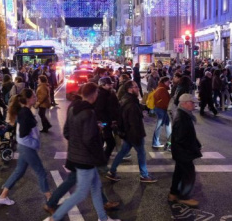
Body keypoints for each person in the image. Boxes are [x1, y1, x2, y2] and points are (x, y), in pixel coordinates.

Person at [44, 83, 120, 221]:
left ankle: (103, 218)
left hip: (75, 155)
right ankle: (55, 217)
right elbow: (90, 140)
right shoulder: (89, 112)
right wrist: (97, 133)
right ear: (94, 94)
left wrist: (80, 139)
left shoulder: (73, 108)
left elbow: (67, 132)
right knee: (80, 193)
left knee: (96, 188)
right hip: (86, 159)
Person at [0, 89, 50, 206]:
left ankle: (3, 195)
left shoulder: (24, 111)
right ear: (28, 99)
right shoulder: (25, 112)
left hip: (24, 146)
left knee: (19, 171)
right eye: (34, 96)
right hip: (27, 147)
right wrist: (34, 141)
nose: (36, 98)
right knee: (41, 172)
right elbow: (23, 133)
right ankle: (50, 200)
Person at [106, 80, 157, 183]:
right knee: (141, 153)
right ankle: (144, 175)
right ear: (130, 89)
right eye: (136, 87)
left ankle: (112, 171)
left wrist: (143, 107)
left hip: (127, 133)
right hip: (134, 134)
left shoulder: (127, 99)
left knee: (123, 151)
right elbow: (134, 123)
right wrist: (137, 137)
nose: (138, 89)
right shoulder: (131, 104)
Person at [168, 94, 202, 207]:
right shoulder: (182, 117)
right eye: (192, 103)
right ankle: (184, 197)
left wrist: (197, 143)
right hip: (183, 152)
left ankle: (173, 194)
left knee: (179, 172)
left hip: (180, 152)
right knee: (189, 174)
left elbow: (187, 135)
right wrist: (193, 147)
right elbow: (181, 138)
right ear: (184, 103)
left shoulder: (184, 115)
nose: (194, 105)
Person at [94, 77, 120, 161]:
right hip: (104, 123)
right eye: (108, 84)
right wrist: (107, 122)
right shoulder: (102, 95)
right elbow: (100, 110)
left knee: (102, 142)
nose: (111, 86)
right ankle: (102, 160)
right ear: (102, 85)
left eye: (111, 84)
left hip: (107, 122)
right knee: (110, 143)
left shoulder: (109, 93)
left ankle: (99, 158)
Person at [152, 77, 172, 148]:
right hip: (162, 109)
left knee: (168, 124)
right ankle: (155, 142)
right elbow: (166, 102)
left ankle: (170, 141)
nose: (169, 83)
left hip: (161, 109)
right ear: (165, 82)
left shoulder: (160, 87)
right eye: (168, 82)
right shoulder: (163, 89)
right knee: (159, 126)